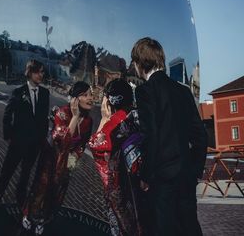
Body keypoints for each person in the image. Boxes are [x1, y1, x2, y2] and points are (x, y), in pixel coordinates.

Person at [131, 37, 208, 236]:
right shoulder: (183, 91)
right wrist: (195, 170)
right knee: (189, 228)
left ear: (140, 62)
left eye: (134, 61)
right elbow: (200, 134)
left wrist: (145, 176)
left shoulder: (145, 91)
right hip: (186, 176)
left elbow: (151, 135)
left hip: (162, 178)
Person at [22, 81, 93, 235]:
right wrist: (74, 118)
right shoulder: (62, 113)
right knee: (41, 187)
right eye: (86, 95)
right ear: (75, 99)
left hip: (67, 161)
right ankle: (29, 214)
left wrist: (75, 157)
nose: (91, 98)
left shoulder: (89, 121)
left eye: (91, 94)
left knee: (57, 191)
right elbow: (61, 141)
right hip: (51, 156)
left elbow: (82, 144)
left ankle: (43, 219)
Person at [89, 78, 148, 236]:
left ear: (108, 101)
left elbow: (96, 147)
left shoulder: (115, 123)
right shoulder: (140, 115)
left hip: (124, 186)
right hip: (145, 180)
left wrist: (103, 119)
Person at [0, 59, 49, 211]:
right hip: (17, 143)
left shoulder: (45, 93)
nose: (41, 75)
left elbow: (43, 120)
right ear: (30, 73)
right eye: (37, 72)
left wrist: (42, 140)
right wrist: (9, 136)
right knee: (6, 174)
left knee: (25, 175)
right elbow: (7, 115)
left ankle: (20, 202)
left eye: (42, 72)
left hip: (34, 145)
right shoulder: (18, 92)